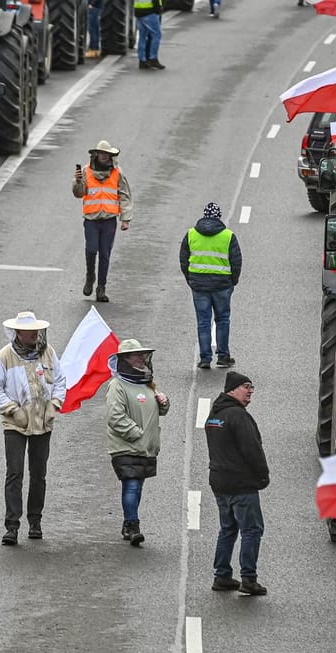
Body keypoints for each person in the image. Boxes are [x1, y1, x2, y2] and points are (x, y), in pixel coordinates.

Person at [0, 311, 67, 545]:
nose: (35, 335)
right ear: (18, 333)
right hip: (15, 425)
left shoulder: (48, 352)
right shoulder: (4, 357)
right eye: (30, 331)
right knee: (15, 473)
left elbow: (60, 381)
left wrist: (55, 404)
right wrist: (12, 409)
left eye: (36, 331)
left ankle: (35, 521)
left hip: (43, 422)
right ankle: (12, 526)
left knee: (39, 474)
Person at [204, 372, 269, 596]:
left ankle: (221, 575)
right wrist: (263, 476)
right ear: (232, 389)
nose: (250, 391)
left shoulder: (214, 416)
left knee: (228, 529)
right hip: (241, 484)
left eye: (252, 387)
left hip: (220, 482)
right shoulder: (238, 416)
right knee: (251, 530)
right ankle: (249, 578)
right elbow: (252, 450)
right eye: (246, 387)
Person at [105, 339, 169, 546]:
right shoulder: (117, 385)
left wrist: (164, 403)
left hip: (145, 447)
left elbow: (159, 411)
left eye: (143, 355)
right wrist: (136, 433)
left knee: (137, 486)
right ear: (125, 359)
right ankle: (133, 526)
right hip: (127, 446)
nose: (142, 358)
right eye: (136, 355)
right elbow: (115, 416)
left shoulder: (146, 381)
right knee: (131, 485)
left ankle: (128, 523)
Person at [180, 202, 242, 369]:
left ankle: (205, 358)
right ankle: (223, 356)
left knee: (203, 322)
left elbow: (183, 260)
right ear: (219, 217)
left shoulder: (191, 234)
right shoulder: (228, 236)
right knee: (222, 320)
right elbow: (236, 262)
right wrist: (232, 282)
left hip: (199, 286)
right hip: (222, 285)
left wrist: (191, 279)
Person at [72, 140, 134, 303]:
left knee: (105, 254)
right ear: (96, 154)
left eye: (107, 154)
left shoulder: (117, 172)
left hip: (109, 220)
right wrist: (77, 182)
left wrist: (125, 218)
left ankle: (101, 288)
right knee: (92, 250)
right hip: (91, 219)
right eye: (102, 153)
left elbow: (124, 195)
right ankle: (90, 276)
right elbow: (79, 194)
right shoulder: (86, 171)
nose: (104, 156)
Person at [134, 0, 164, 70]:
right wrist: (158, 10)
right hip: (150, 11)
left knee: (142, 36)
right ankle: (153, 59)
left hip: (138, 10)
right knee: (157, 34)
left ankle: (142, 60)